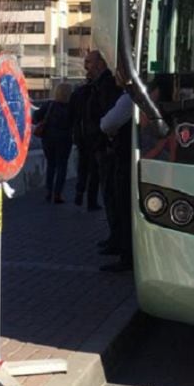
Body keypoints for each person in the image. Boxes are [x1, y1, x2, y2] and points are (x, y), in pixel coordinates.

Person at [83, 52, 123, 249]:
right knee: (108, 193)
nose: (85, 67)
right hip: (100, 146)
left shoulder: (107, 86)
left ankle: (118, 239)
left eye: (89, 62)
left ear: (100, 64)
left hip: (106, 148)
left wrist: (105, 141)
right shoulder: (96, 86)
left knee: (112, 194)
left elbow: (108, 118)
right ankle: (115, 237)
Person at [99, 76, 135, 273]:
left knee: (122, 207)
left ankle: (126, 257)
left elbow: (106, 124)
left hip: (123, 158)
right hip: (133, 157)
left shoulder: (128, 98)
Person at [33, 83, 74, 203]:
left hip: (48, 139)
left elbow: (35, 116)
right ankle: (58, 194)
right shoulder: (71, 107)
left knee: (51, 165)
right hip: (65, 140)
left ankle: (48, 191)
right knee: (62, 166)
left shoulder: (49, 104)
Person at [68, 69, 97, 209]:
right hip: (94, 135)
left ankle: (79, 194)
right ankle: (91, 201)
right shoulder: (96, 92)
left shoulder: (77, 93)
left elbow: (71, 114)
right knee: (94, 170)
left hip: (80, 135)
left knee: (82, 166)